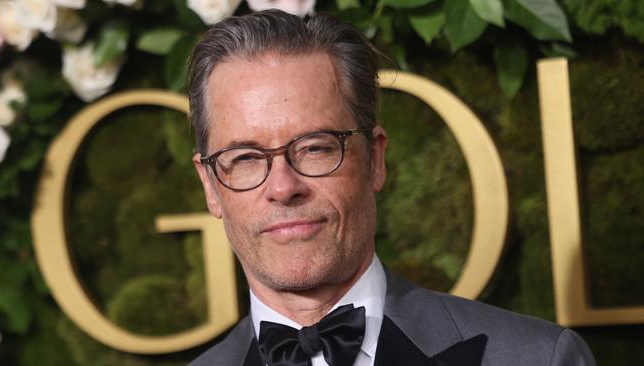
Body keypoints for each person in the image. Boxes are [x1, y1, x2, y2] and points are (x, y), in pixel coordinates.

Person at [187, 9, 596, 366]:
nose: (282, 186)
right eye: (244, 158)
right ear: (210, 186)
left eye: (314, 148)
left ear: (375, 159)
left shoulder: (538, 358)